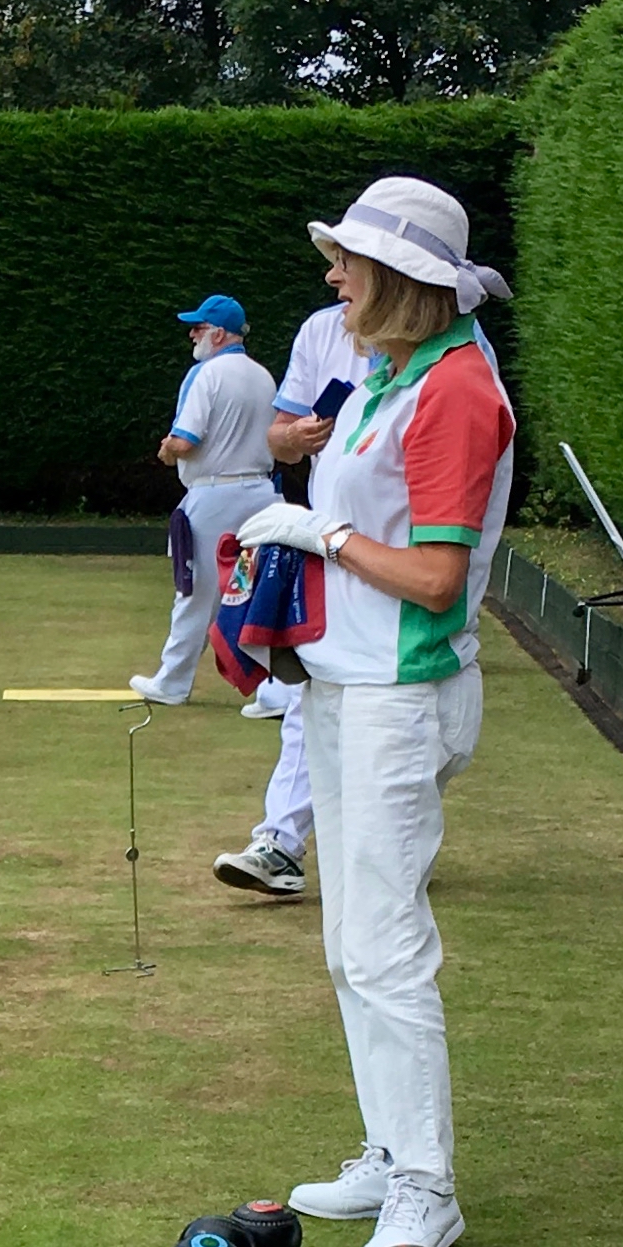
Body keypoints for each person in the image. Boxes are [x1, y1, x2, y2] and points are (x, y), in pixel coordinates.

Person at [245, 181, 515, 1247]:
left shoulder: (454, 389)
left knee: (386, 943)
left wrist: (319, 533)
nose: (333, 276)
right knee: (350, 941)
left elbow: (438, 578)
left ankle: (426, 1186)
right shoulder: (388, 376)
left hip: (400, 695)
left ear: (404, 280)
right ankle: (390, 1147)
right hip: (346, 685)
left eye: (348, 262)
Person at [215, 214, 378, 898]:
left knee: (410, 729)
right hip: (327, 545)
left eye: (343, 261)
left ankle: (378, 836)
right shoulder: (319, 331)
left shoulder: (453, 359)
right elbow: (277, 438)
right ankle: (280, 841)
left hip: (399, 561)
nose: (331, 276)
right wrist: (299, 437)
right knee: (312, 690)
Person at [128, 294, 275, 707]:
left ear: (219, 334)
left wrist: (166, 450)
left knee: (196, 591)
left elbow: (185, 441)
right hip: (262, 495)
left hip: (214, 497)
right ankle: (273, 689)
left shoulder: (205, 374)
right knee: (255, 592)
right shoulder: (264, 376)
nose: (192, 335)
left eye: (198, 328)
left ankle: (173, 681)